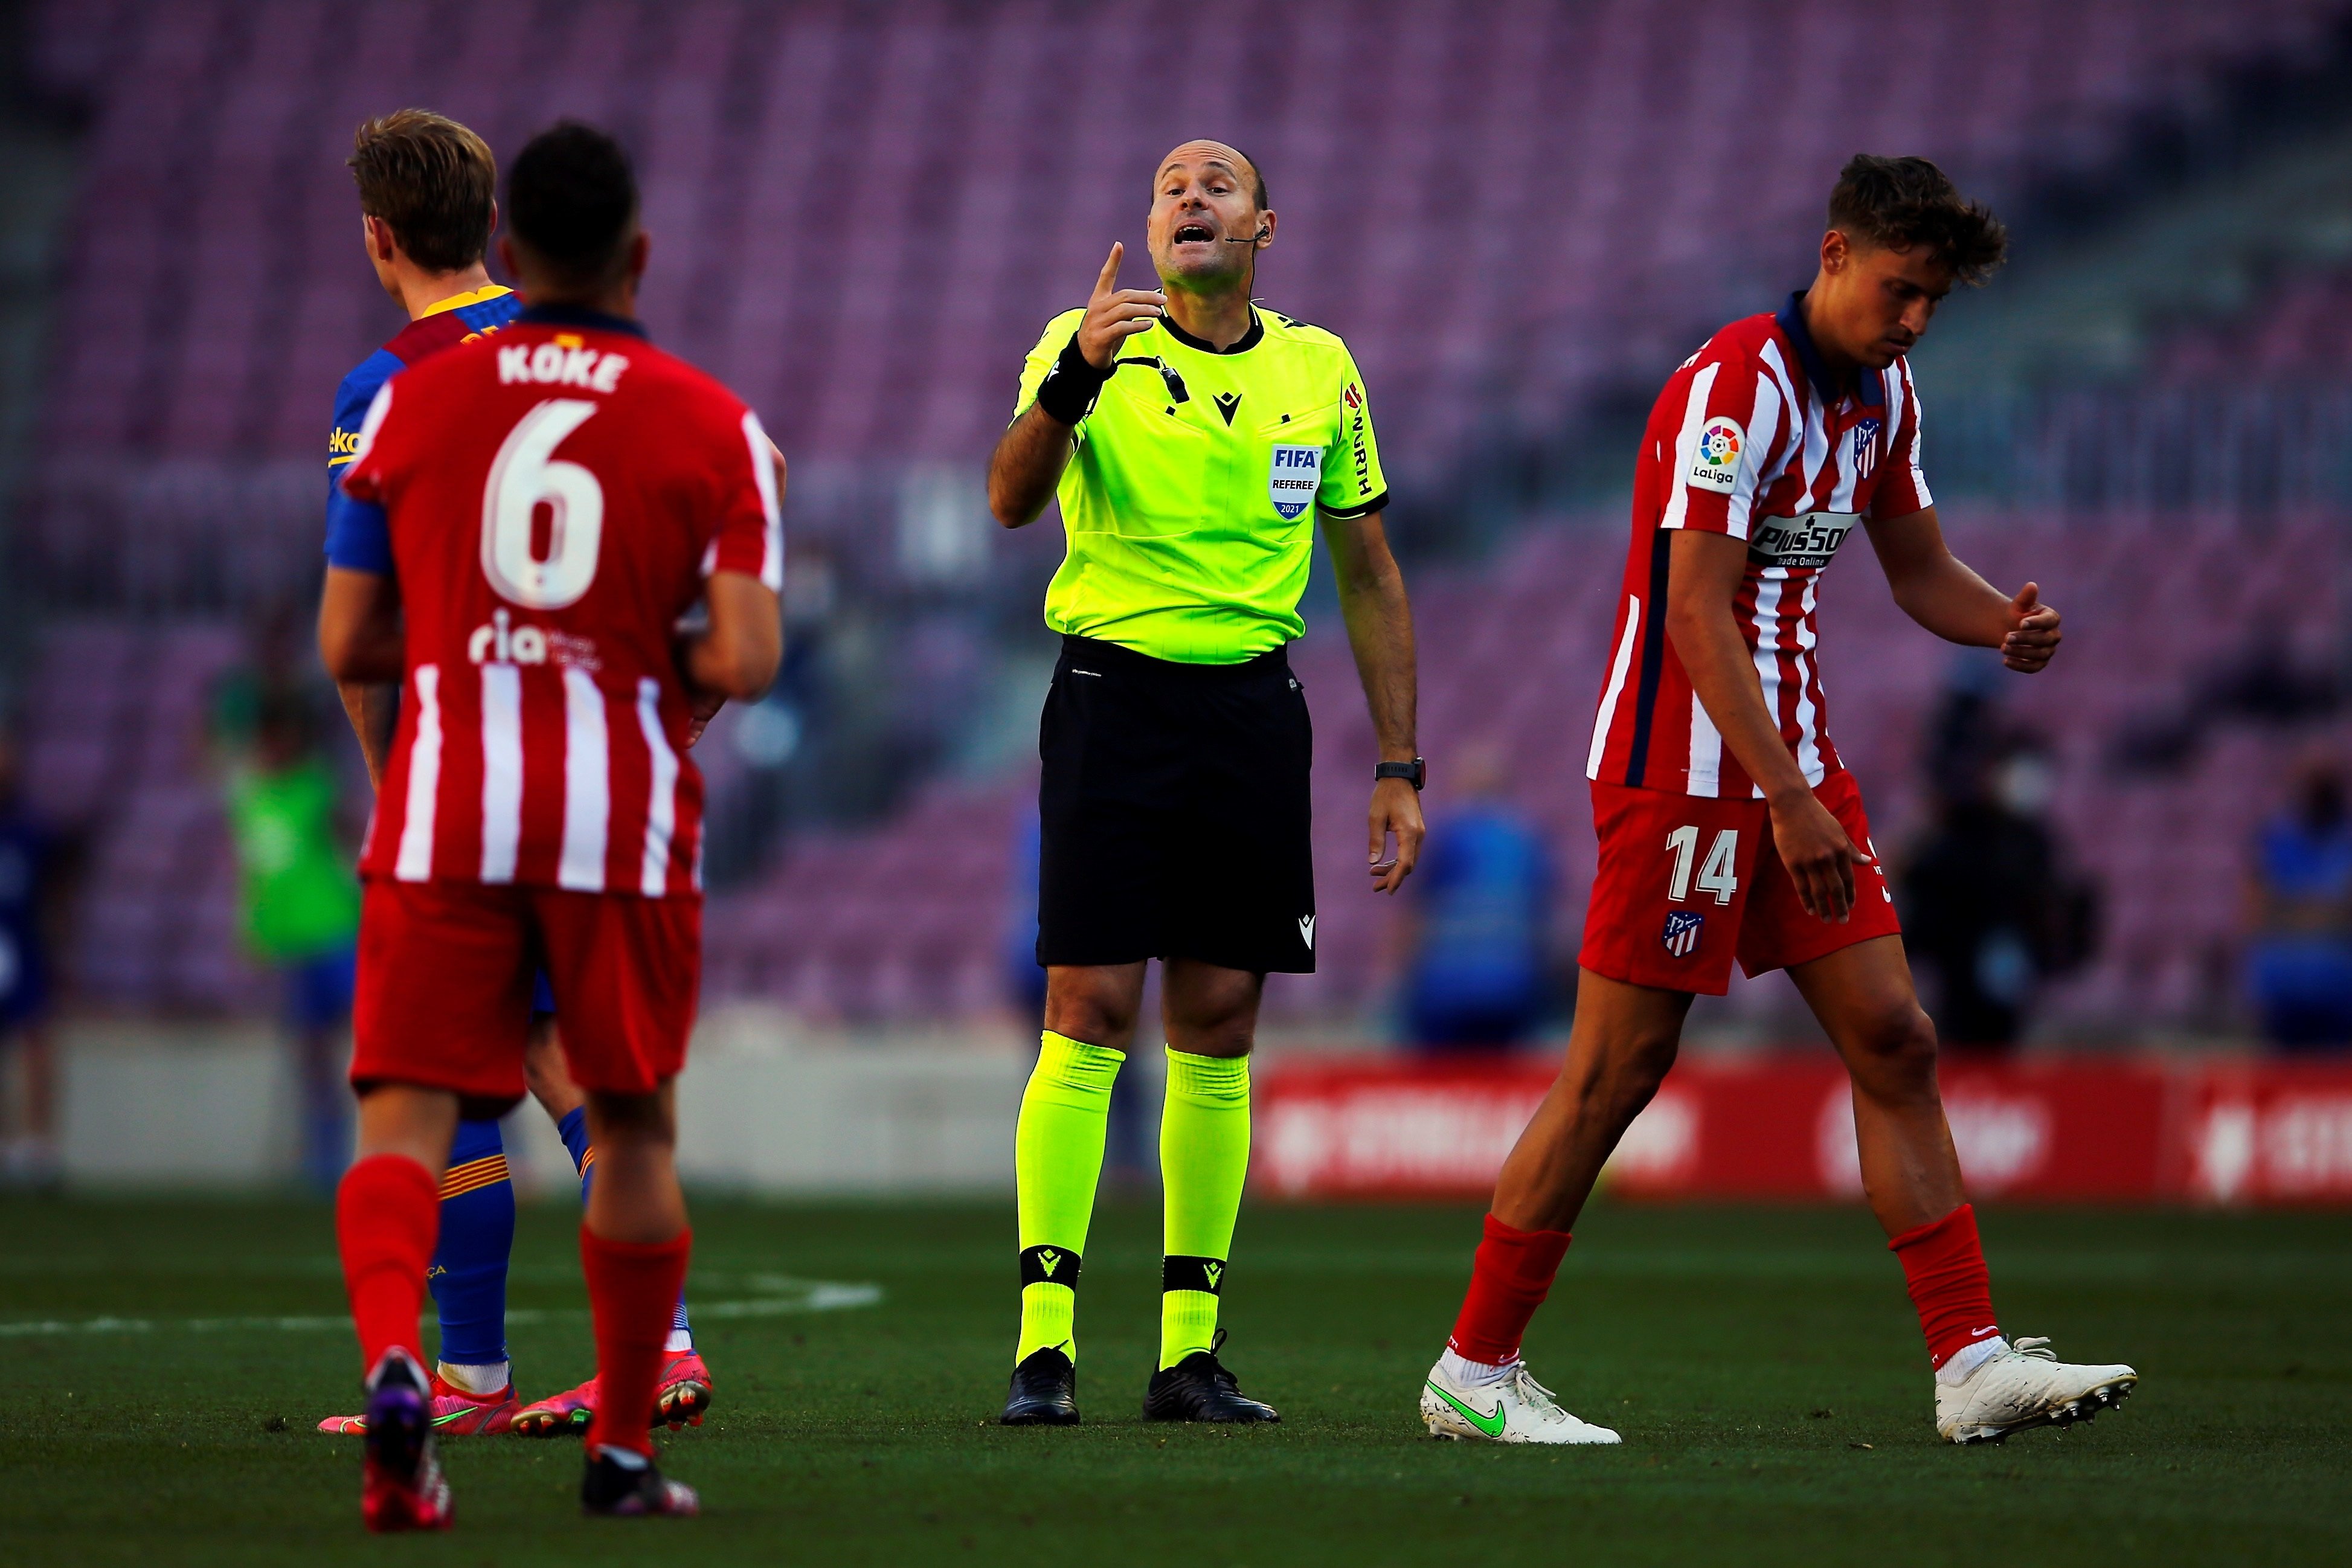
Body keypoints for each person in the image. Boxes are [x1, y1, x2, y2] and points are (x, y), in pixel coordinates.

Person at [1418, 156, 2136, 1448]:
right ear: (1835, 255)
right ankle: (1474, 1364)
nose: (1913, 319)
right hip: (1681, 771)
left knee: (1897, 1037)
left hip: (1796, 766)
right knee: (1615, 1072)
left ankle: (1970, 1358)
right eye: (1900, 290)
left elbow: (1918, 570)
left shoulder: (1884, 398)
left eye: (1934, 302)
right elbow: (1695, 607)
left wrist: (2003, 625)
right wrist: (1788, 798)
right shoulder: (1734, 386)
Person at [318, 120, 782, 1527]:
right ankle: (626, 1449)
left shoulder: (407, 403)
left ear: (508, 249)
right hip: (611, 808)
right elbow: (748, 652)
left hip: (449, 793)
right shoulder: (709, 417)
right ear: (636, 256)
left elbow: (352, 640)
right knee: (625, 1116)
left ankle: (418, 1366)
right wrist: (649, 684)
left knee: (406, 1104)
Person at [987, 140, 1422, 1425]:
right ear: (1151, 223)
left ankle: (1190, 1351)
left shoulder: (1318, 369)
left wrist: (1398, 762)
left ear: (1264, 226)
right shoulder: (1088, 343)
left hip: (1250, 708)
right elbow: (1010, 501)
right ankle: (1046, 1344)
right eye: (1171, 184)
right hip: (1114, 694)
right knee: (1087, 1004)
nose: (1189, 197)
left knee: (1222, 1019)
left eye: (1217, 183)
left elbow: (1370, 572)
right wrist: (1073, 380)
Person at [221, 686, 363, 1190]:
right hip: (292, 947)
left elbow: (353, 848)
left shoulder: (317, 788)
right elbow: (254, 877)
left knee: (364, 1051)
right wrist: (255, 936)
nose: (272, 746)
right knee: (313, 1062)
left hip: (337, 934)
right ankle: (323, 1164)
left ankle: (373, 1152)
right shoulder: (249, 798)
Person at [1401, 745, 1554, 1051]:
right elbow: (1541, 920)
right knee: (1499, 1083)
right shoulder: (1527, 839)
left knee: (1444, 1084)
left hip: (1447, 987)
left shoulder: (1447, 835)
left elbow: (1417, 912)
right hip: (1511, 984)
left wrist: (1403, 977)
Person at [2245, 758, 2352, 1050]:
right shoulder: (2275, 839)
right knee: (2283, 1087)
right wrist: (2326, 913)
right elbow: (2257, 912)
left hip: (2341, 992)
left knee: (2338, 1091)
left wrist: (2290, 910)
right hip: (2283, 992)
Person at [0, 734, 62, 1188]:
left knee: (35, 1042)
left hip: (22, 948)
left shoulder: (30, 830)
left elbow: (55, 898)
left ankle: (37, 1146)